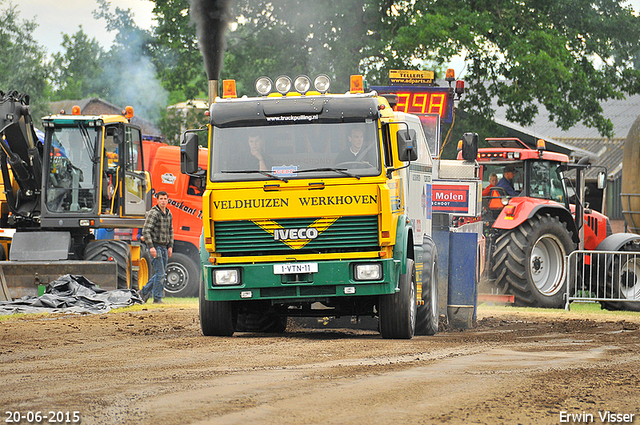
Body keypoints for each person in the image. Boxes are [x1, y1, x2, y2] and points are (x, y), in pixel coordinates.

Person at [139, 191, 174, 304]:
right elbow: (146, 230)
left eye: (165, 198)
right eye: (161, 199)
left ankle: (143, 292)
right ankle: (157, 298)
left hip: (164, 247)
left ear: (168, 200)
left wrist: (170, 246)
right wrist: (151, 247)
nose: (163, 201)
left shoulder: (169, 214)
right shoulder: (153, 213)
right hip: (156, 246)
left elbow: (171, 231)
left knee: (161, 273)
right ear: (157, 200)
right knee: (160, 274)